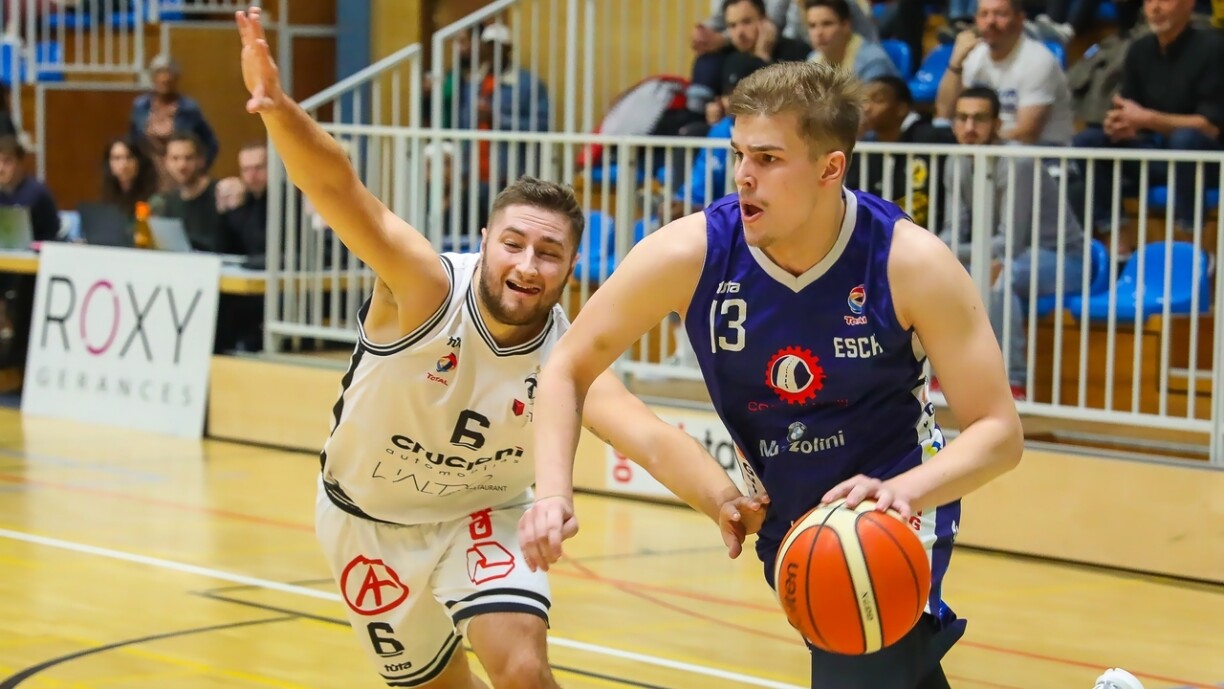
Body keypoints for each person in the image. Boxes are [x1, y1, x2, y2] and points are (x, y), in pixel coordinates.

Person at [234, 7, 767, 689]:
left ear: (571, 268)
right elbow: (339, 187)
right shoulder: (424, 288)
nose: (527, 265)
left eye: (550, 252)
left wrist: (721, 497)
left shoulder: (564, 354)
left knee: (523, 671)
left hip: (485, 514)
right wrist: (279, 111)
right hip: (367, 522)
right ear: (485, 241)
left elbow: (649, 436)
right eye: (513, 243)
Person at [519, 60, 1025, 689]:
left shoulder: (910, 262)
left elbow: (999, 432)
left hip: (895, 509)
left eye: (767, 158)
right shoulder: (691, 252)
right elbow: (567, 367)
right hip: (786, 518)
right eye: (739, 154)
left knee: (861, 673)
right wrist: (553, 494)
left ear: (830, 168)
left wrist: (905, 492)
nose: (743, 175)